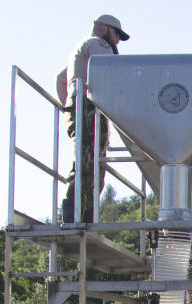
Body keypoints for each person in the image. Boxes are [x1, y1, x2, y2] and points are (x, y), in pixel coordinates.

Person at [56, 14, 130, 223]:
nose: (117, 41)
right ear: (103, 28)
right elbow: (110, 75)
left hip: (78, 108)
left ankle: (78, 215)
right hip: (89, 108)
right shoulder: (98, 44)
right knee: (89, 163)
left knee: (87, 161)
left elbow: (60, 80)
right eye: (116, 35)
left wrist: (68, 107)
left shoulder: (78, 52)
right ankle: (78, 216)